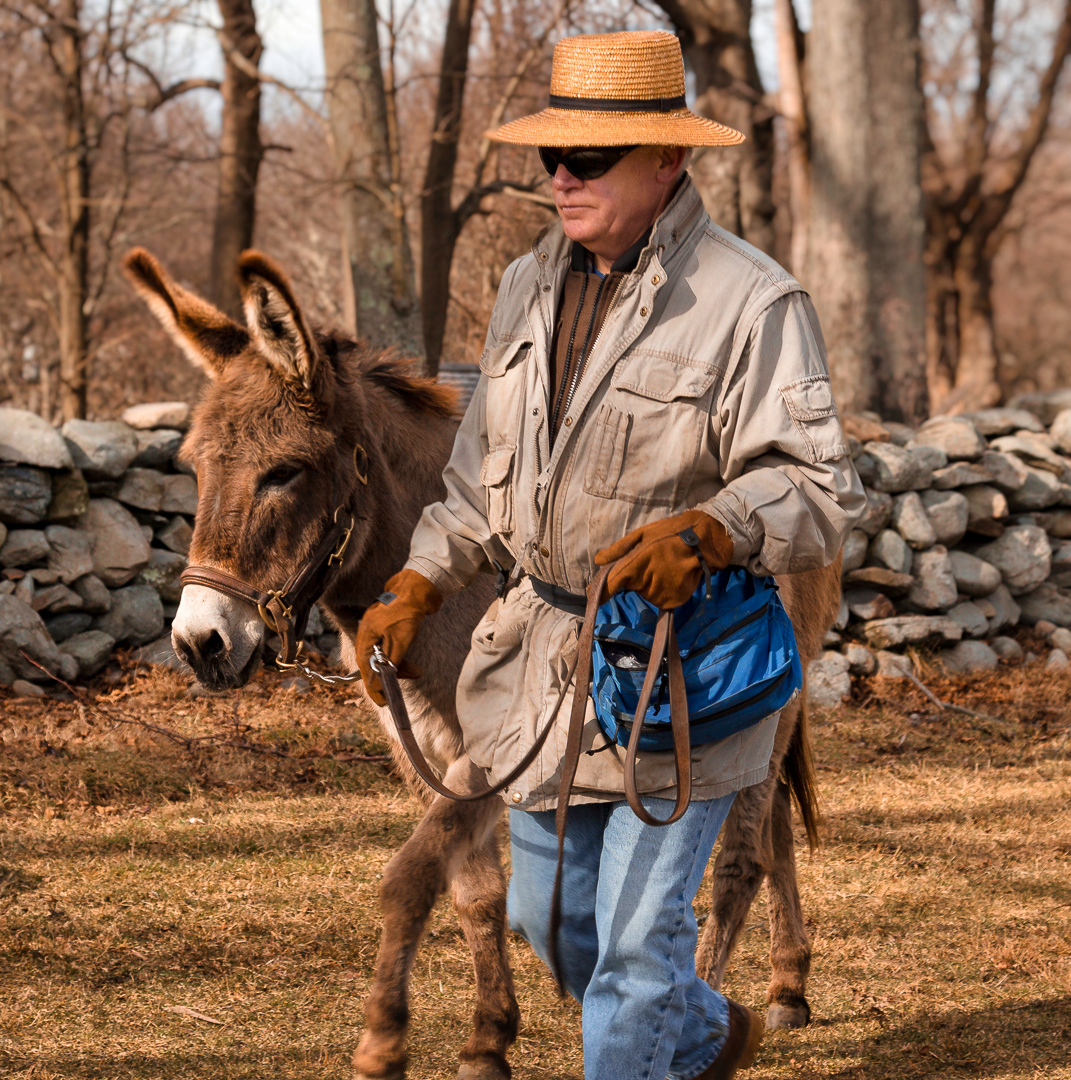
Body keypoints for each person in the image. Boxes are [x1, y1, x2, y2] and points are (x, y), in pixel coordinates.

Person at [356, 29, 864, 1080]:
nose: (560, 177)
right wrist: (420, 577)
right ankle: (708, 1033)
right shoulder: (522, 291)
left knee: (633, 954)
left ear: (667, 161)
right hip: (543, 663)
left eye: (587, 159)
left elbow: (821, 492)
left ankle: (656, 1029)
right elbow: (479, 481)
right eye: (554, 156)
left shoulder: (752, 302)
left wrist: (715, 529)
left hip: (687, 669)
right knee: (558, 927)